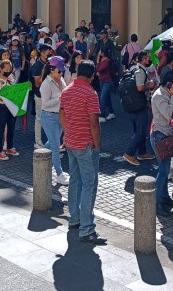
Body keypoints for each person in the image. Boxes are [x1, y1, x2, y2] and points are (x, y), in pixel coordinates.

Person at [59, 59, 104, 244]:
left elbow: (61, 113)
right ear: (92, 76)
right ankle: (87, 228)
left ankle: (74, 219)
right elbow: (94, 123)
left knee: (75, 182)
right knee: (89, 185)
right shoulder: (90, 93)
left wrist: (67, 130)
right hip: (86, 144)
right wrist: (97, 144)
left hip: (71, 141)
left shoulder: (67, 90)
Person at [151, 68, 173, 216]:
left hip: (167, 135)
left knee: (165, 170)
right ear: (170, 84)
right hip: (160, 136)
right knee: (163, 170)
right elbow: (167, 116)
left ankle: (164, 198)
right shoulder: (159, 96)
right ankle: (158, 203)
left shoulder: (168, 93)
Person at [122, 51, 157, 166]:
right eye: (147, 58)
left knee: (138, 130)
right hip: (139, 104)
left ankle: (142, 152)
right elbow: (140, 87)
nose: (149, 60)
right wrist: (150, 85)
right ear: (142, 60)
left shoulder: (133, 69)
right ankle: (129, 153)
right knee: (141, 131)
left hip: (133, 104)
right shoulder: (140, 71)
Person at [39, 55, 69, 185]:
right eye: (59, 70)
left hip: (61, 115)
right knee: (56, 145)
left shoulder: (61, 79)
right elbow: (45, 104)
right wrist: (61, 98)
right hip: (49, 116)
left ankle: (39, 156)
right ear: (52, 69)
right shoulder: (46, 84)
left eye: (62, 70)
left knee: (52, 142)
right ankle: (59, 173)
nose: (61, 72)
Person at [0, 59, 19, 160]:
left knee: (11, 127)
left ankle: (9, 147)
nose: (8, 70)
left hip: (12, 105)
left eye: (10, 68)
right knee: (0, 128)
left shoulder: (12, 77)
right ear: (1, 69)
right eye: (6, 69)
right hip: (1, 106)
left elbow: (16, 89)